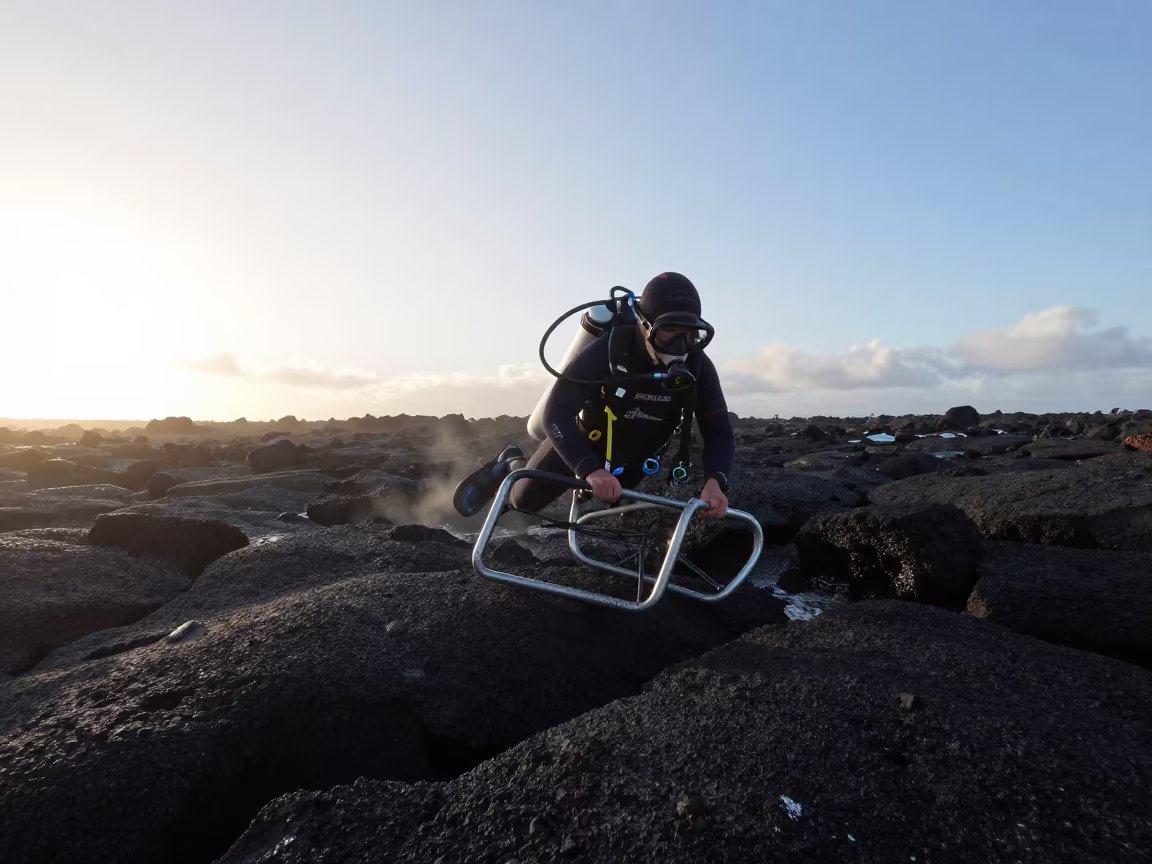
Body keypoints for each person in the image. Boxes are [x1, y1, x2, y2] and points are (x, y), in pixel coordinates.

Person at [453, 272, 734, 519]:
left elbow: (718, 430)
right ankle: (510, 462)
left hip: (637, 458)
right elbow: (557, 413)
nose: (680, 346)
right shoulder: (610, 350)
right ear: (643, 324)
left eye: (690, 334)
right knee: (523, 501)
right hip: (583, 441)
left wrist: (715, 482)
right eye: (668, 332)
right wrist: (589, 469)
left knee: (617, 505)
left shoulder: (697, 365)